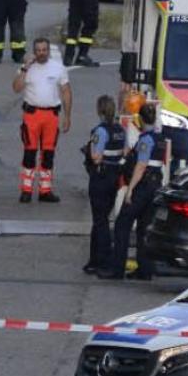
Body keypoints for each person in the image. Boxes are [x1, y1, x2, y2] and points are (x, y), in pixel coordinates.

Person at [102, 103, 164, 280]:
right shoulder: (160, 138)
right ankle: (145, 270)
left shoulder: (146, 140)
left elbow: (141, 166)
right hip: (155, 186)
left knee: (122, 225)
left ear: (141, 119)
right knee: (144, 228)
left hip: (142, 186)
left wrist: (130, 190)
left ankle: (117, 269)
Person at [13, 38, 71, 203]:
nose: (41, 53)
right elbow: (16, 88)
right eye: (38, 50)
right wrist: (25, 68)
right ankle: (26, 190)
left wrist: (67, 116)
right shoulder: (27, 69)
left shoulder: (58, 68)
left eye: (44, 50)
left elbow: (66, 92)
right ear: (34, 51)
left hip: (51, 116)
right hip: (32, 115)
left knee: (48, 155)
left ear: (48, 51)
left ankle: (45, 191)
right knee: (29, 153)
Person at [82, 95, 125, 276]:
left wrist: (89, 148)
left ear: (100, 110)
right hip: (114, 176)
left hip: (101, 176)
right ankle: (94, 259)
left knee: (100, 221)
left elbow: (96, 157)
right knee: (102, 218)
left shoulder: (100, 132)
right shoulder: (120, 130)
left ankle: (102, 259)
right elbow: (125, 151)